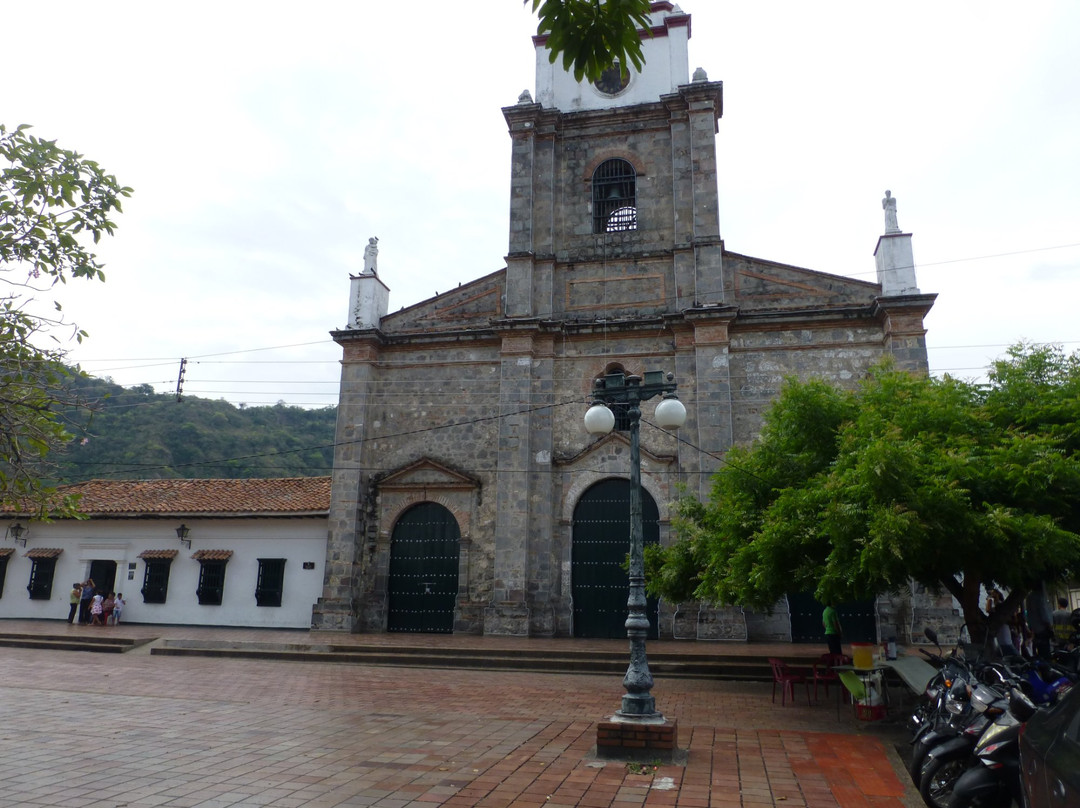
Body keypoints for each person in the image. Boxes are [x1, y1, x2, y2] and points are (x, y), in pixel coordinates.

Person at [1026, 583, 1054, 659]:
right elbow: (1044, 615)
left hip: (1035, 630)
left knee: (1039, 653)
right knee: (1046, 654)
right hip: (1043, 630)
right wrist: (1050, 627)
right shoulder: (1040, 597)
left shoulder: (1029, 597)